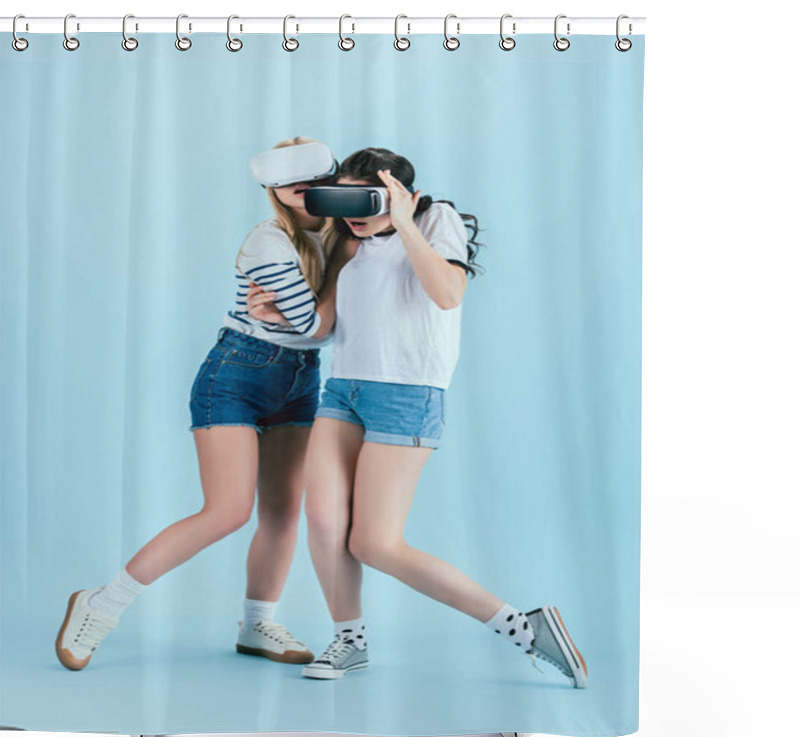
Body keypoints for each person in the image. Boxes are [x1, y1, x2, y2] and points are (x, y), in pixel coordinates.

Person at [247, 147, 589, 688]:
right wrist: (276, 316)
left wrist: (405, 221)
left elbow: (448, 294)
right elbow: (325, 327)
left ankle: (526, 629)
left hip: (407, 393)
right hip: (343, 389)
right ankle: (350, 641)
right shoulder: (347, 241)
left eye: (368, 199)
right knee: (324, 521)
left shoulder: (434, 220)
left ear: (400, 193)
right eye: (345, 198)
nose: (354, 211)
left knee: (374, 543)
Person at [55, 136, 348, 671]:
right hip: (238, 372)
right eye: (292, 188)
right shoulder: (268, 242)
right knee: (228, 511)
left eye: (315, 187)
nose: (304, 197)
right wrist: (332, 283)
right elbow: (314, 325)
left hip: (301, 379)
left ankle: (258, 624)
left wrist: (314, 303)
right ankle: (101, 604)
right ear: (275, 192)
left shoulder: (347, 235)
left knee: (283, 512)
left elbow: (320, 328)